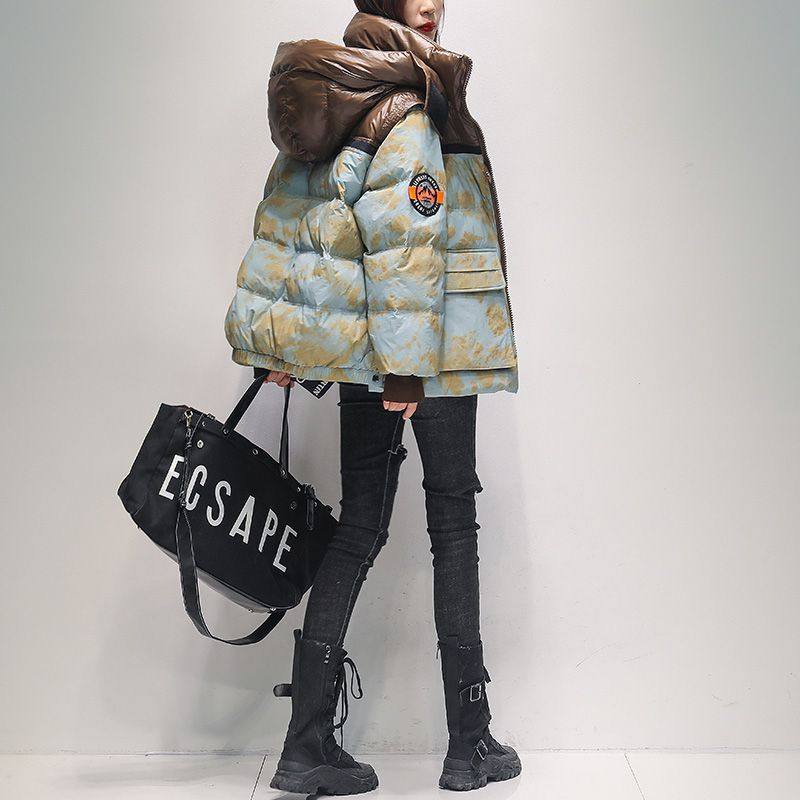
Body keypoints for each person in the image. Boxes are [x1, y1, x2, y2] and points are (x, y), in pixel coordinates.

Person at [223, 0, 521, 794]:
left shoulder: (342, 89)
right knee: (452, 524)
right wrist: (408, 371)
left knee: (360, 527)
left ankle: (306, 743)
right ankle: (470, 741)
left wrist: (284, 346)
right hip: (427, 353)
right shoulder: (408, 104)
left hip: (371, 356)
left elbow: (296, 228)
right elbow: (406, 245)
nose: (431, 5)